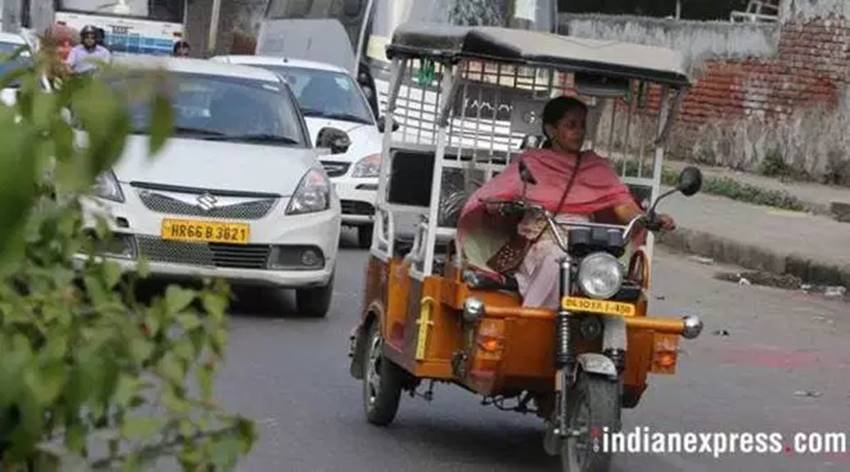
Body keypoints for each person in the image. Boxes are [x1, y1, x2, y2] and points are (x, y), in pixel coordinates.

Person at [457, 96, 675, 310]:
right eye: (571, 125)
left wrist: (648, 219)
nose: (579, 132)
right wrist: (500, 204)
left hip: (587, 246)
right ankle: (528, 321)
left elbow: (623, 206)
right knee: (557, 260)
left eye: (582, 125)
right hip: (541, 243)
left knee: (611, 277)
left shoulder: (596, 167)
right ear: (552, 130)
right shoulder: (533, 162)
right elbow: (499, 193)